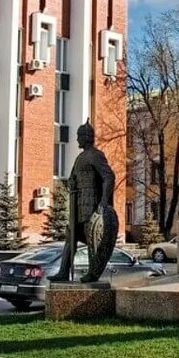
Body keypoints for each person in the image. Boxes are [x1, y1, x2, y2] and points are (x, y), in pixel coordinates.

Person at [49, 120, 118, 284]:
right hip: (79, 207)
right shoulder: (80, 157)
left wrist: (103, 202)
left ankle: (92, 273)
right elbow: (73, 178)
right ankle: (63, 272)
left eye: (79, 136)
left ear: (86, 137)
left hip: (91, 207)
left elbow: (109, 176)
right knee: (70, 236)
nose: (77, 139)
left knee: (92, 239)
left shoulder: (95, 155)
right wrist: (71, 182)